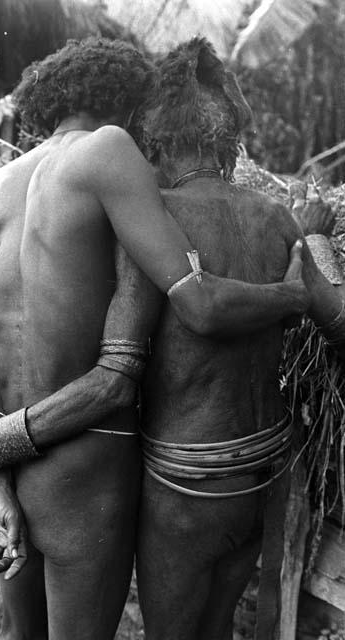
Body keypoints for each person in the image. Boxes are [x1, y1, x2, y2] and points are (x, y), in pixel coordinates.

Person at [0, 38, 310, 640]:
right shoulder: (110, 151)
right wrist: (293, 295)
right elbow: (194, 303)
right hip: (85, 460)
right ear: (132, 104)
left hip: (9, 456)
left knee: (18, 634)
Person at [132, 39, 345, 640]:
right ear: (230, 141)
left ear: (157, 141)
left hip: (185, 488)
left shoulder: (151, 218)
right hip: (259, 475)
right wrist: (314, 243)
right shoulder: (278, 217)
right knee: (217, 629)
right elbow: (340, 321)